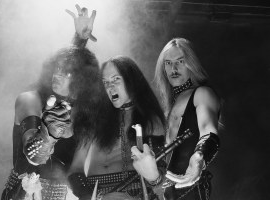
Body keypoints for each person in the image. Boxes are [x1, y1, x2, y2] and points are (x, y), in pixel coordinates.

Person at [1, 5, 102, 200]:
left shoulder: (84, 116)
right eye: (57, 68)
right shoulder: (30, 100)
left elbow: (76, 171)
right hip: (24, 193)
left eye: (67, 71)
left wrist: (91, 195)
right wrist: (48, 135)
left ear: (82, 80)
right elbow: (33, 155)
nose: (58, 74)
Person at [132, 38, 221, 200]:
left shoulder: (202, 93)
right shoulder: (166, 106)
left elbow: (208, 130)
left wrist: (200, 156)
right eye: (168, 63)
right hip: (164, 190)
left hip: (190, 188)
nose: (174, 68)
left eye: (180, 61)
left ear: (191, 64)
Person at [68, 55, 166, 200]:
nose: (110, 87)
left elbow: (161, 175)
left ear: (131, 81)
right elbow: (75, 170)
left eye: (116, 79)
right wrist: (90, 196)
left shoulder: (151, 120)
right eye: (105, 82)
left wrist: (153, 177)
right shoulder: (93, 119)